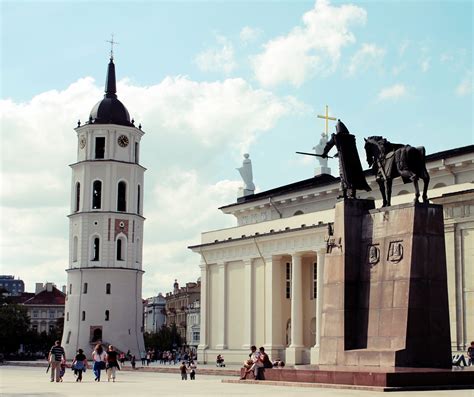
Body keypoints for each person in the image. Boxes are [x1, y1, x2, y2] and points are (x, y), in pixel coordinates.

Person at [321, 119, 371, 199]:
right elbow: (348, 149)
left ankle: (345, 194)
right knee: (353, 176)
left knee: (343, 175)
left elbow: (329, 145)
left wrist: (324, 153)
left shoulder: (337, 137)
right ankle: (352, 194)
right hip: (353, 160)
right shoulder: (351, 138)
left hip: (343, 161)